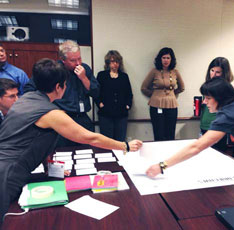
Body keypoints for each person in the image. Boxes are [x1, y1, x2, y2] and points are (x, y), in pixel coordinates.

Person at [0, 59, 142, 227]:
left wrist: (50, 167)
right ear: (59, 87)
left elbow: (31, 139)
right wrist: (125, 146)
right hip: (8, 174)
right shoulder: (51, 113)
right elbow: (90, 137)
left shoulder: (26, 99)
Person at [24, 40, 100, 147]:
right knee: (62, 154)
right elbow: (29, 89)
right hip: (61, 118)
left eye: (79, 58)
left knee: (87, 153)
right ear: (63, 60)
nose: (78, 63)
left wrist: (83, 78)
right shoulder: (53, 69)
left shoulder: (85, 68)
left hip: (82, 118)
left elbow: (96, 92)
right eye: (73, 60)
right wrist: (49, 108)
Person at [141, 47, 185, 141]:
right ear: (160, 59)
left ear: (171, 59)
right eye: (164, 58)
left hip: (172, 106)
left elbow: (182, 88)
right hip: (156, 106)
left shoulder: (175, 72)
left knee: (170, 134)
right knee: (159, 134)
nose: (166, 60)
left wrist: (172, 94)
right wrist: (155, 95)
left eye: (168, 58)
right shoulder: (154, 71)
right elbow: (144, 88)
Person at [96, 50, 133, 141]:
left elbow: (129, 93)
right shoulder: (102, 75)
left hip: (121, 114)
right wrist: (99, 103)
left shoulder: (124, 76)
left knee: (120, 141)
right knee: (107, 141)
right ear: (108, 63)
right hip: (105, 114)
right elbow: (96, 92)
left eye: (117, 61)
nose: (115, 64)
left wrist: (128, 105)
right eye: (112, 61)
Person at [200, 57, 234, 152]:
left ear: (224, 73)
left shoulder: (226, 88)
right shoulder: (207, 86)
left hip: (218, 126)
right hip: (204, 124)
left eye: (217, 72)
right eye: (212, 70)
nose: (213, 74)